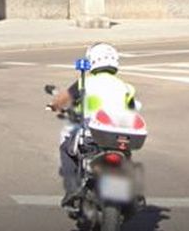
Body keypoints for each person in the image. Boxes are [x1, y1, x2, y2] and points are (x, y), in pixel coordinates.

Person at [48, 42, 139, 207]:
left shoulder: (85, 82)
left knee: (66, 149)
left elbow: (64, 99)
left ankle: (71, 189)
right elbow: (132, 110)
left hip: (92, 133)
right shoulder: (126, 87)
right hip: (119, 135)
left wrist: (54, 105)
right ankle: (130, 190)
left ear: (92, 60)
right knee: (126, 154)